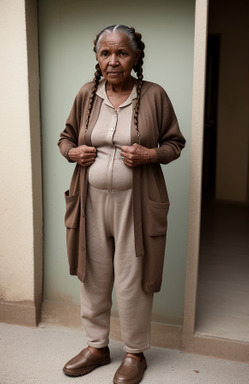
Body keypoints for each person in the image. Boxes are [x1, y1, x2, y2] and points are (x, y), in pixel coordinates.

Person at [58, 25, 185, 384]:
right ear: (97, 58)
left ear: (135, 57)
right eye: (105, 53)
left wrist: (151, 154)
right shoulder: (87, 94)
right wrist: (73, 152)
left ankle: (134, 352)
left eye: (122, 53)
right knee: (93, 276)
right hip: (90, 202)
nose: (113, 61)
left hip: (137, 205)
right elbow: (65, 138)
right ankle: (97, 347)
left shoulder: (154, 96)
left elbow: (175, 143)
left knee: (133, 280)